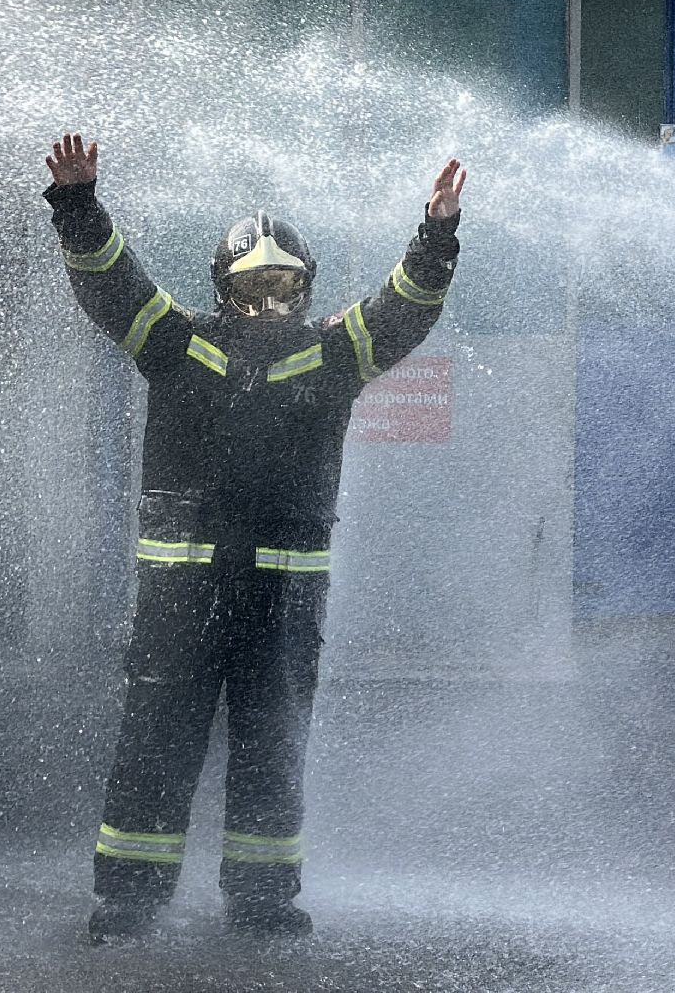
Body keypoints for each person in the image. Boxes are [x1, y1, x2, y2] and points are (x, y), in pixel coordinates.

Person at [43, 132, 466, 942]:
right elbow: (113, 287)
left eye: (284, 288)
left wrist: (436, 233)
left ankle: (263, 899)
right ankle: (128, 900)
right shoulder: (176, 345)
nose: (270, 305)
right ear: (224, 289)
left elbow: (403, 311)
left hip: (282, 601)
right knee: (156, 742)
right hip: (182, 597)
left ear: (306, 290)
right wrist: (78, 205)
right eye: (254, 289)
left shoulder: (335, 355)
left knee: (273, 747)